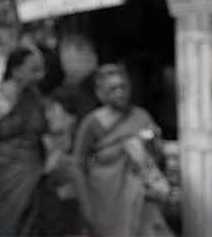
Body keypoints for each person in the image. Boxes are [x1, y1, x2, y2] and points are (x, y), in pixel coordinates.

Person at [72, 64, 174, 236]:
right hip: (105, 196)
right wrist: (85, 203)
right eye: (113, 89)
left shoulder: (142, 117)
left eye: (123, 87)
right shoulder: (93, 123)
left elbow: (156, 157)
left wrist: (153, 144)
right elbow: (77, 163)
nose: (120, 92)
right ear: (101, 93)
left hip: (139, 192)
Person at [0, 46, 46, 236]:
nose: (40, 75)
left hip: (34, 179)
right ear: (16, 71)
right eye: (33, 69)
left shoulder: (35, 98)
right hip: (3, 183)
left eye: (41, 69)